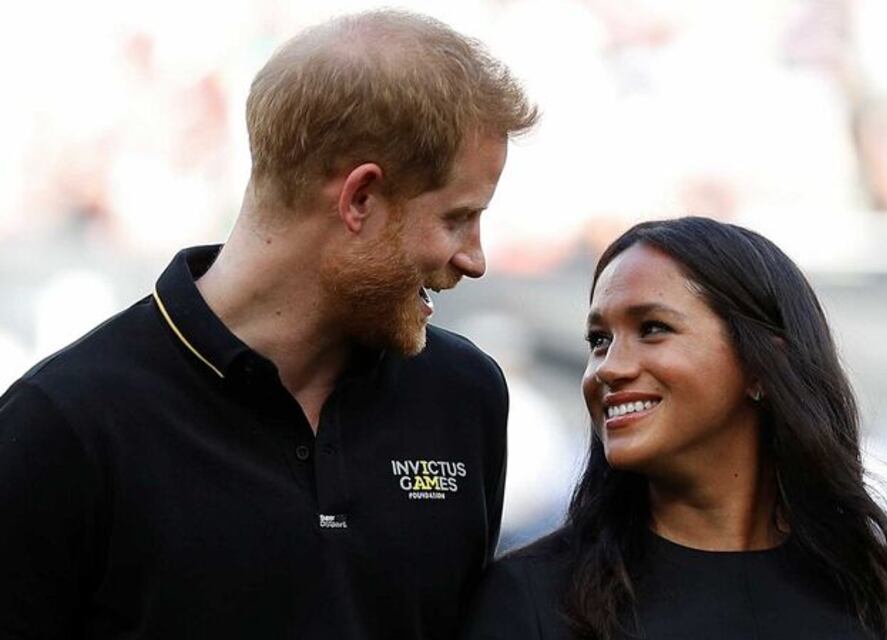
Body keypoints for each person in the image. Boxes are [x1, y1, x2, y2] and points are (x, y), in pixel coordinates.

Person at [0, 10, 537, 640]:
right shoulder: (62, 424)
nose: (474, 259)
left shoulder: (463, 394)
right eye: (457, 218)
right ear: (360, 198)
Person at [462, 216, 887, 639]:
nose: (609, 367)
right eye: (599, 340)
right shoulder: (535, 600)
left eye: (653, 328)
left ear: (762, 364)